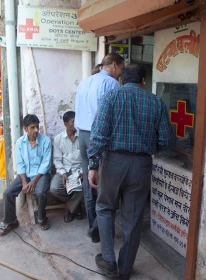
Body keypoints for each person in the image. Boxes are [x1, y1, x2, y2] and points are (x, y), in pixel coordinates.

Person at [87, 64, 176, 279]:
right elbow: (166, 140)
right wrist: (148, 148)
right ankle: (125, 269)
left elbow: (98, 135)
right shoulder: (156, 102)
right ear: (143, 81)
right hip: (142, 165)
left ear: (121, 80)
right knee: (133, 218)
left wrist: (93, 165)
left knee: (105, 208)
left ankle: (108, 261)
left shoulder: (111, 97)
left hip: (114, 162)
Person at [75, 53, 125, 243]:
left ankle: (93, 227)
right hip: (100, 138)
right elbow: (114, 116)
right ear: (113, 65)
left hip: (83, 136)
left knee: (90, 184)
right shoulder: (111, 84)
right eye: (120, 69)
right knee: (104, 186)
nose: (120, 74)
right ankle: (101, 230)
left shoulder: (84, 82)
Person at [0, 114, 52, 235]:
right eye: (32, 127)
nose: (36, 130)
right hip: (25, 174)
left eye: (37, 127)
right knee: (8, 193)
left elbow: (46, 164)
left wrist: (34, 181)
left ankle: (42, 218)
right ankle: (10, 221)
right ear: (25, 129)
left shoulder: (46, 141)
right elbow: (20, 164)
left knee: (40, 192)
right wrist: (25, 182)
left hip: (41, 175)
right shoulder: (20, 143)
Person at [50, 111, 83, 223]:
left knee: (83, 186)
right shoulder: (59, 139)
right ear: (66, 123)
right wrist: (63, 173)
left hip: (79, 171)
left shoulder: (82, 137)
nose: (76, 123)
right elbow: (57, 160)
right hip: (65, 170)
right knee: (54, 188)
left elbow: (87, 158)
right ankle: (75, 204)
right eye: (73, 121)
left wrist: (82, 172)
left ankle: (69, 209)